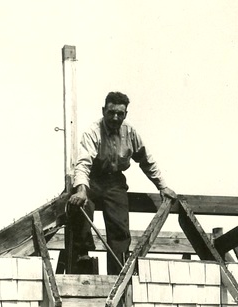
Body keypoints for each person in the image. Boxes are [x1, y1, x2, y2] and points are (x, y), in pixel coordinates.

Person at [67, 91, 176, 274]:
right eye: (111, 112)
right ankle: (82, 257)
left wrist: (162, 186)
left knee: (120, 226)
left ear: (126, 114)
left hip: (115, 181)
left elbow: (146, 161)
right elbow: (84, 164)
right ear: (104, 111)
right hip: (92, 178)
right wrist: (81, 190)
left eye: (120, 113)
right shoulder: (93, 132)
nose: (115, 117)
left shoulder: (130, 132)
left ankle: (118, 271)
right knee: (80, 206)